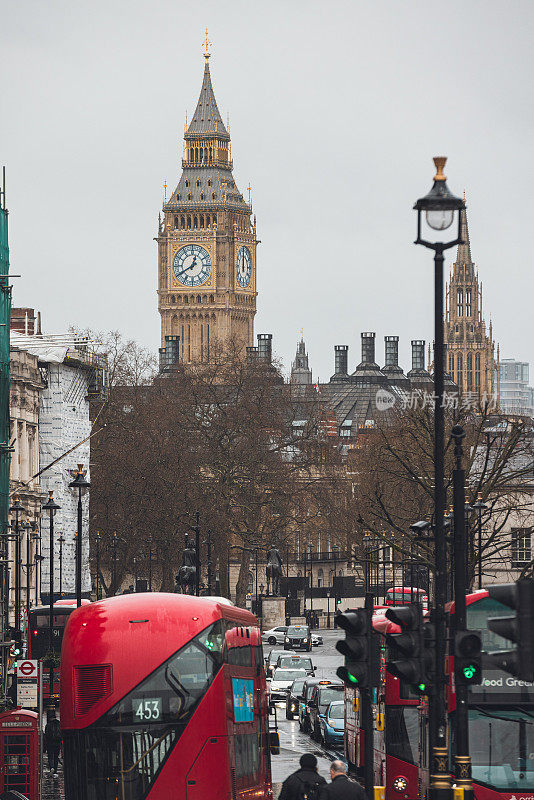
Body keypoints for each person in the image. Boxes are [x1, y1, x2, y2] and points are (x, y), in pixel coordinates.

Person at [44, 709, 62, 778]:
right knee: (56, 757)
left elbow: (46, 735)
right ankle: (55, 770)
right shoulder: (59, 724)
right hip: (57, 743)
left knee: (50, 756)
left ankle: (51, 767)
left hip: (50, 743)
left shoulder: (48, 725)